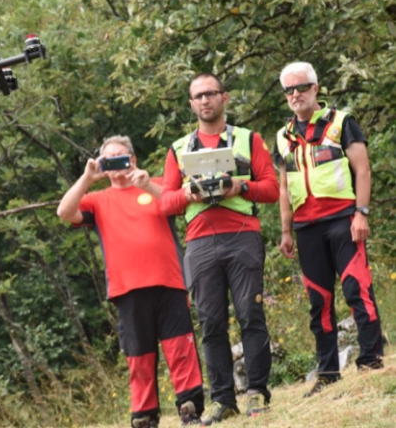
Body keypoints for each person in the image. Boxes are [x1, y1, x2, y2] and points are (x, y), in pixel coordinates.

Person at [57, 135, 205, 428]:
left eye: (121, 157)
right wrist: (88, 178)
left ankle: (190, 410)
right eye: (108, 159)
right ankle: (144, 417)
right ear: (102, 165)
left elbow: (179, 203)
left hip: (169, 281)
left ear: (133, 159)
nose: (116, 164)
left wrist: (146, 183)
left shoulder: (157, 184)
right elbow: (64, 213)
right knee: (139, 356)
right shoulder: (97, 200)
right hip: (127, 289)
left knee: (180, 349)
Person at [160, 73, 279, 425]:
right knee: (210, 322)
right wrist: (188, 195)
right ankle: (223, 399)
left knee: (250, 314)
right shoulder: (178, 148)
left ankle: (257, 391)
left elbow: (271, 189)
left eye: (210, 93)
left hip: (242, 235)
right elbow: (165, 202)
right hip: (198, 242)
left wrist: (239, 187)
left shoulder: (248, 138)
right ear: (191, 104)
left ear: (224, 98)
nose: (204, 101)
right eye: (197, 96)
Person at [274, 61, 384, 397]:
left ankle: (371, 362)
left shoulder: (341, 122)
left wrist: (361, 214)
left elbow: (362, 170)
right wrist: (286, 231)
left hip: (342, 220)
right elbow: (282, 188)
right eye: (289, 90)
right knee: (318, 302)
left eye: (302, 87)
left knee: (357, 291)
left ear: (315, 89)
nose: (296, 94)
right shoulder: (282, 136)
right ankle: (327, 373)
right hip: (305, 228)